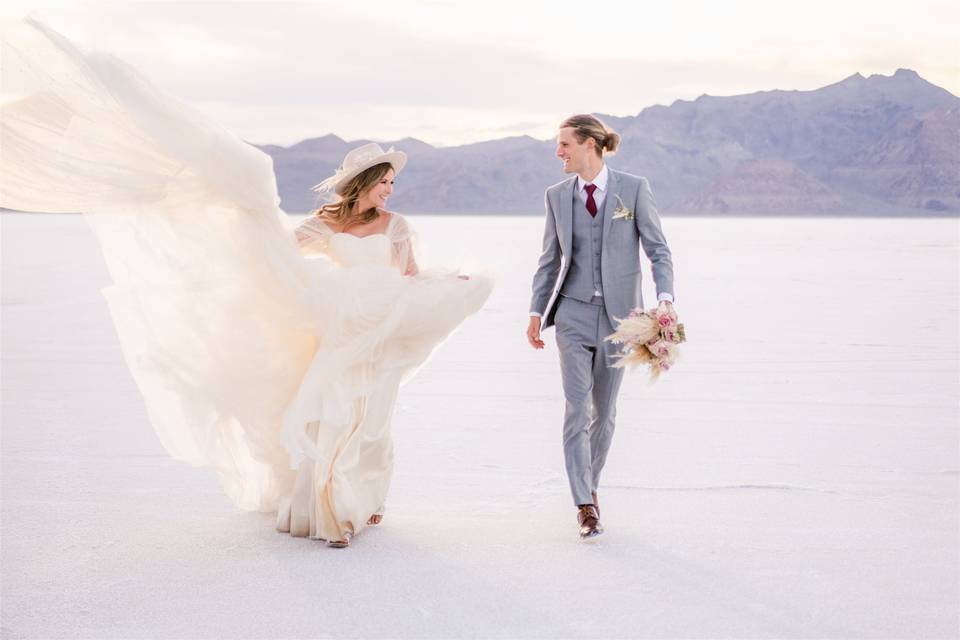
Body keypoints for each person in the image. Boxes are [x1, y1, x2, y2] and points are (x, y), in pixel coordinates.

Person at [0, 18, 493, 548]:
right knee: (331, 411)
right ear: (364, 186)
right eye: (384, 184)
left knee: (372, 419)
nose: (391, 192)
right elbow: (280, 246)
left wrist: (449, 282)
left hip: (381, 327)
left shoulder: (397, 227)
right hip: (343, 328)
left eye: (394, 183)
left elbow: (410, 277)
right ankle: (334, 509)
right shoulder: (327, 225)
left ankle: (366, 496)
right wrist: (242, 216)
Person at [526, 114, 675, 540]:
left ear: (590, 144)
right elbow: (549, 260)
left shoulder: (633, 188)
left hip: (621, 321)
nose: (558, 152)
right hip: (571, 316)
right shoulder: (556, 196)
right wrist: (537, 312)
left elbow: (659, 252)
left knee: (604, 414)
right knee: (576, 408)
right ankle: (585, 504)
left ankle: (590, 483)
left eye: (564, 145)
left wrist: (665, 298)